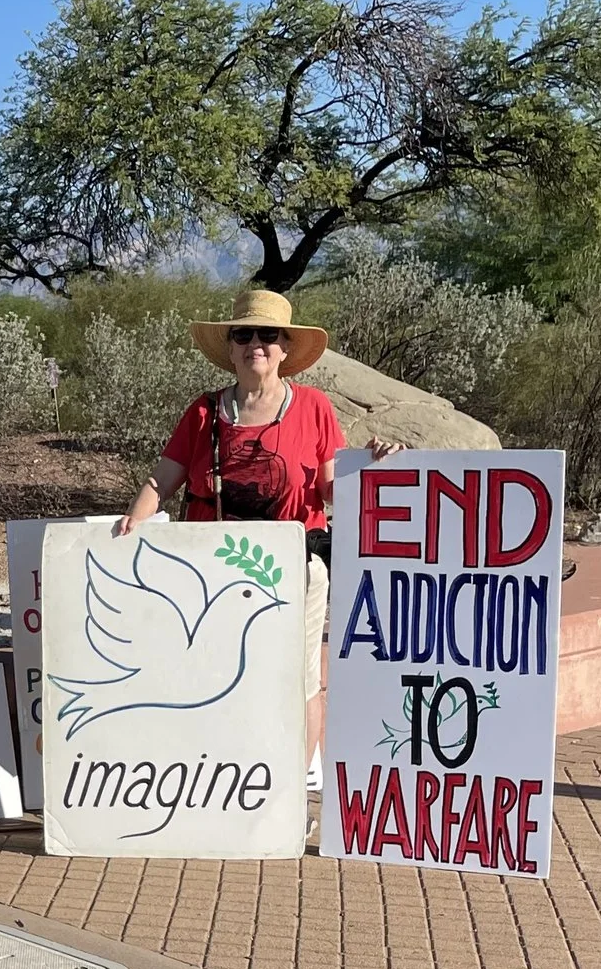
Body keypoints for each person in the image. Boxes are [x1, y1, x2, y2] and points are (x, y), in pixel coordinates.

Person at [113, 289, 401, 758]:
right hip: (214, 576)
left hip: (295, 570)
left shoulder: (314, 409)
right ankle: (225, 786)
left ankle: (292, 791)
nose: (256, 344)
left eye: (268, 335)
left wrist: (373, 468)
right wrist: (131, 521)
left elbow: (332, 491)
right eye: (243, 334)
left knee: (298, 678)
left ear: (285, 348)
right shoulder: (204, 412)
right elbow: (160, 480)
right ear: (230, 348)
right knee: (215, 674)